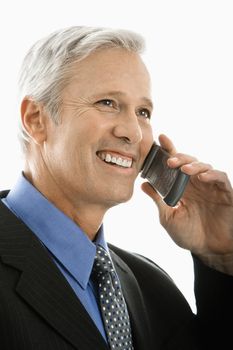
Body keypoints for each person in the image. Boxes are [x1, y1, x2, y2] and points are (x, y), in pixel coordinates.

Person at [0, 26, 232, 350]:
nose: (134, 133)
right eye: (108, 102)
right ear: (36, 119)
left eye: (143, 112)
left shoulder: (151, 287)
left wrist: (220, 257)